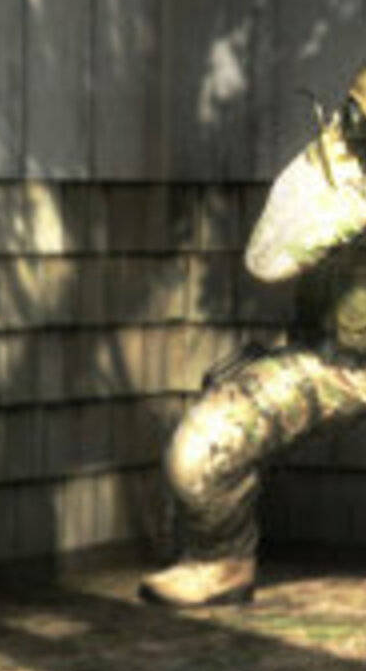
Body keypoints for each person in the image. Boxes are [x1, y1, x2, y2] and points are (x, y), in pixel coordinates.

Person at [141, 65, 366, 608]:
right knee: (202, 451)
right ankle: (220, 563)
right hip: (334, 363)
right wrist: (346, 191)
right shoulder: (340, 169)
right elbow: (267, 258)